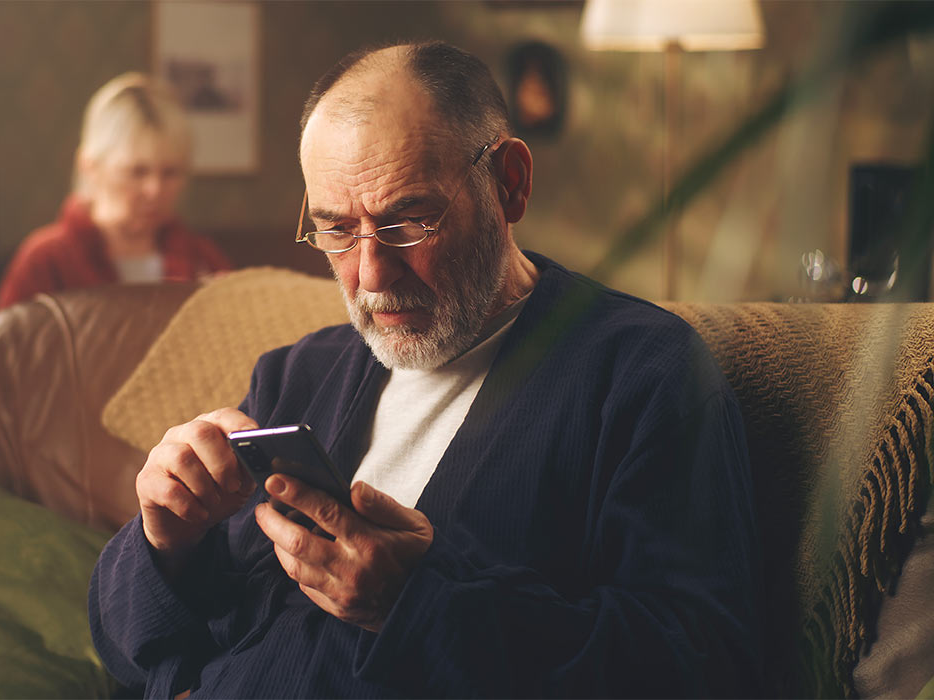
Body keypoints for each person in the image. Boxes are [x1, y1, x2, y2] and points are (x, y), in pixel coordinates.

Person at [89, 42, 763, 697]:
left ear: (510, 184)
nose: (371, 274)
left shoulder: (639, 373)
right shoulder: (296, 375)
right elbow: (121, 645)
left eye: (408, 222)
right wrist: (164, 540)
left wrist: (420, 607)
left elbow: (701, 666)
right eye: (336, 230)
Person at [0, 73, 231, 311]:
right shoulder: (46, 261)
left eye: (170, 173)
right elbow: (9, 345)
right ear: (91, 168)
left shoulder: (202, 258)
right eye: (137, 172)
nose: (155, 190)